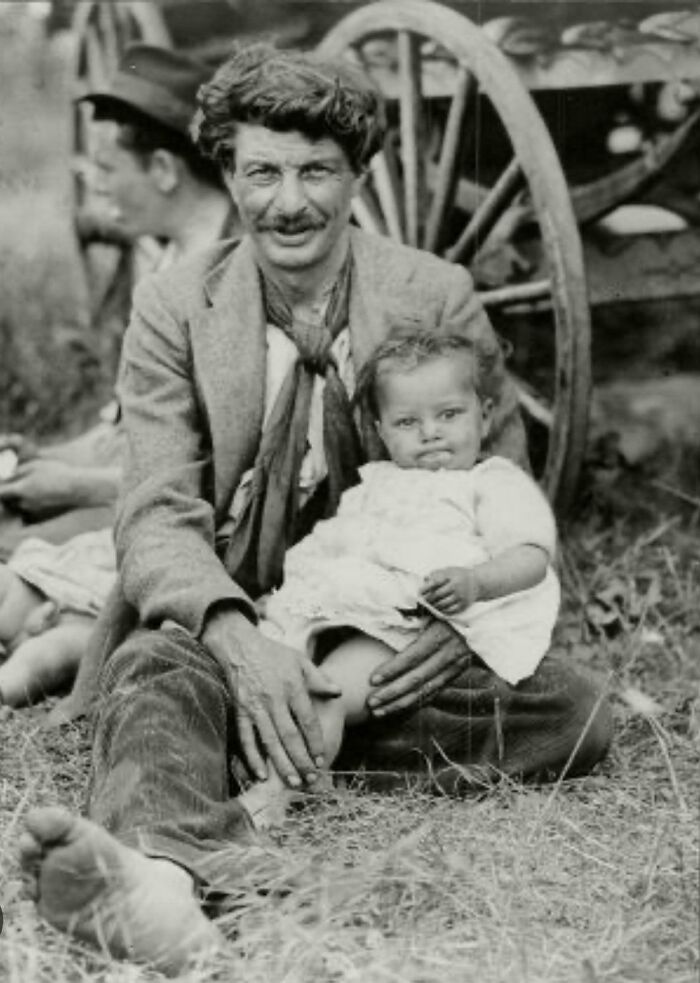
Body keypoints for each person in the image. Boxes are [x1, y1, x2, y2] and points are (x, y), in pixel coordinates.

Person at [21, 43, 612, 974]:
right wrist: (237, 640)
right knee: (153, 668)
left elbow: (501, 485)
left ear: (358, 176)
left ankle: (251, 748)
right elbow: (156, 511)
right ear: (228, 174)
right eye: (263, 172)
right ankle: (161, 882)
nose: (289, 202)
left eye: (316, 172)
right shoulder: (174, 306)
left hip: (381, 632)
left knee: (577, 709)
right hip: (235, 623)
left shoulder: (433, 295)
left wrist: (451, 630)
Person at [240, 328, 561, 828]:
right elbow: (331, 545)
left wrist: (476, 582)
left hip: (398, 628)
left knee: (324, 691)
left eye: (449, 414)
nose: (430, 433)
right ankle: (286, 766)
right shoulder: (376, 484)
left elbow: (531, 555)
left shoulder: (490, 484)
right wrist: (286, 600)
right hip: (337, 614)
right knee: (268, 673)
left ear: (485, 415)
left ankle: (278, 794)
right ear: (381, 431)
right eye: (408, 421)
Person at [0, 45, 234, 707]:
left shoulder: (227, 281)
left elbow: (222, 469)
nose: (96, 190)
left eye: (106, 169)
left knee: (19, 546)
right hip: (132, 487)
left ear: (162, 169)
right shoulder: (167, 258)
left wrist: (75, 482)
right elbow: (129, 422)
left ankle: (50, 630)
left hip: (183, 518)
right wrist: (40, 457)